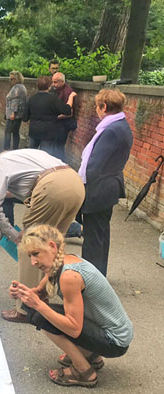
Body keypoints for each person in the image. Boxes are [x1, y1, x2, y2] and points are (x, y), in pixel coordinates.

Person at [9, 224, 133, 388]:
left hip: (115, 341)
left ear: (52, 247)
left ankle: (84, 372)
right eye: (30, 256)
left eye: (36, 254)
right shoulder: (61, 261)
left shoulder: (69, 276)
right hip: (114, 332)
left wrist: (37, 305)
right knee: (36, 309)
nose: (33, 262)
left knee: (39, 314)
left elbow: (74, 328)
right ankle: (91, 355)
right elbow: (40, 292)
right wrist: (22, 293)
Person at [0, 149, 85, 322]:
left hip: (52, 187)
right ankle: (53, 295)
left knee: (31, 248)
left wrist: (15, 236)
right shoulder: (25, 156)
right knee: (53, 246)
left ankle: (26, 310)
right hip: (75, 183)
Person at [78, 88, 133, 276]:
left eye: (97, 106)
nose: (96, 109)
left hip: (99, 190)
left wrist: (79, 189)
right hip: (107, 188)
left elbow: (94, 166)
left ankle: (90, 281)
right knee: (100, 235)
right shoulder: (120, 125)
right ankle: (98, 275)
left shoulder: (110, 130)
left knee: (93, 238)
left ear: (104, 106)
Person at [23, 76, 71, 156]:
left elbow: (25, 118)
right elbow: (67, 111)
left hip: (34, 131)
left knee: (31, 155)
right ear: (49, 86)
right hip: (48, 133)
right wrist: (71, 97)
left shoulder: (32, 99)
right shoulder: (53, 99)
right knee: (46, 157)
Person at [51, 72, 77, 162]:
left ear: (62, 82)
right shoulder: (56, 90)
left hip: (63, 123)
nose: (53, 84)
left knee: (59, 147)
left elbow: (69, 113)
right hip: (57, 123)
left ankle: (61, 164)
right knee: (55, 146)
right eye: (52, 82)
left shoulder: (67, 92)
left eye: (55, 82)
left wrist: (54, 117)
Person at [4, 70, 27, 150]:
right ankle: (15, 148)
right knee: (15, 132)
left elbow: (15, 101)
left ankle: (6, 149)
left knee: (8, 131)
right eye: (10, 79)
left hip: (13, 114)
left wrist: (13, 113)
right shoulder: (22, 87)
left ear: (18, 79)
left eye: (13, 79)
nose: (11, 81)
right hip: (19, 114)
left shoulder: (17, 88)